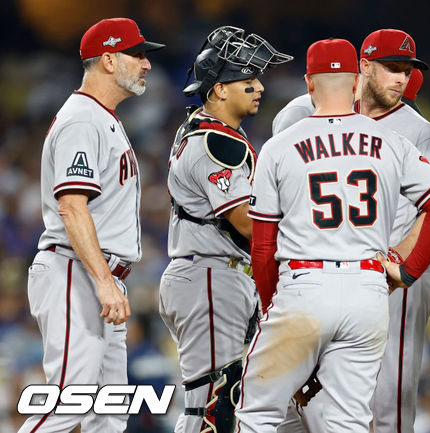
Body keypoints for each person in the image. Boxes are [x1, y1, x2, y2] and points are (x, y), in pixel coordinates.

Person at [235, 38, 430, 433]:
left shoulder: (281, 142)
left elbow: (264, 245)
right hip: (368, 291)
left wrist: (271, 307)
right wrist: (407, 272)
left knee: (258, 413)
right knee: (349, 421)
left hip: (305, 285)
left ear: (308, 84)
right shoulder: (394, 141)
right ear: (358, 79)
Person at [19, 17, 164, 433]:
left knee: (108, 414)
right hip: (75, 272)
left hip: (97, 275)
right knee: (67, 404)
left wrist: (107, 281)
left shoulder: (104, 118)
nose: (146, 64)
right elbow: (71, 207)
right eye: (136, 54)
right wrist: (102, 281)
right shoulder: (83, 119)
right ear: (107, 60)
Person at [157, 26, 292, 433]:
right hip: (211, 276)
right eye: (247, 80)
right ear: (218, 89)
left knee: (226, 401)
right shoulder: (219, 143)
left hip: (210, 275)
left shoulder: (205, 131)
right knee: (214, 406)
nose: (259, 87)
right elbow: (247, 223)